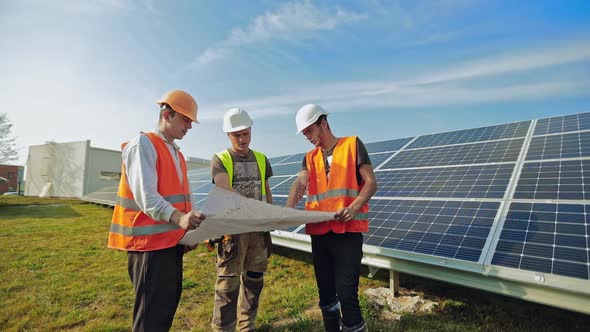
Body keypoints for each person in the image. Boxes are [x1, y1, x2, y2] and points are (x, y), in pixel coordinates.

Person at [108, 89, 206, 331]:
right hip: (148, 248)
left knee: (163, 312)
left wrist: (186, 232)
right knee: (150, 318)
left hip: (170, 245)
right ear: (167, 114)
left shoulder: (176, 153)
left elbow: (183, 199)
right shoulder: (143, 145)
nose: (190, 127)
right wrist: (180, 218)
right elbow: (147, 197)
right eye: (186, 120)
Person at [287, 104, 377, 332]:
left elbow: (370, 182)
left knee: (347, 292)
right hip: (320, 234)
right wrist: (288, 208)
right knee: (326, 294)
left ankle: (354, 327)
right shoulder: (309, 158)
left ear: (323, 123)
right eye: (304, 133)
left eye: (309, 130)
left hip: (348, 232)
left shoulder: (352, 145)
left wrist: (355, 206)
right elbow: (301, 182)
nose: (306, 136)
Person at [210, 108, 274, 331]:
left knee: (255, 279)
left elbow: (266, 191)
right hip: (232, 232)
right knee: (228, 284)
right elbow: (225, 190)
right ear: (228, 135)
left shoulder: (261, 159)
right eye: (237, 135)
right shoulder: (220, 159)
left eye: (246, 133)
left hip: (257, 231)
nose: (242, 139)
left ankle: (247, 325)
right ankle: (223, 328)